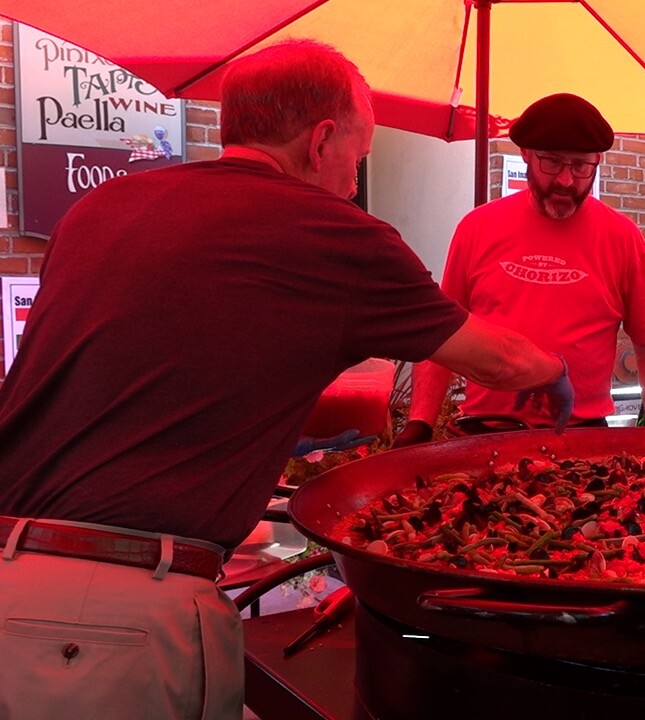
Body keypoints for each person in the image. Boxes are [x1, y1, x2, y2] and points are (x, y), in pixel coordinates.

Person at [0, 40, 572, 720]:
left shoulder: (98, 210)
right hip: (113, 620)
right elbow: (499, 361)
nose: (356, 183)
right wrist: (558, 371)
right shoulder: (334, 232)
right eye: (359, 159)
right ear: (322, 140)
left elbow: (157, 363)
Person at [400, 93, 645, 442]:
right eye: (552, 163)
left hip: (580, 437)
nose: (565, 180)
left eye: (580, 166)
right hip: (484, 433)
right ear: (526, 155)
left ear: (598, 160)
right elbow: (438, 332)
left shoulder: (622, 238)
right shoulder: (477, 228)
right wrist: (420, 422)